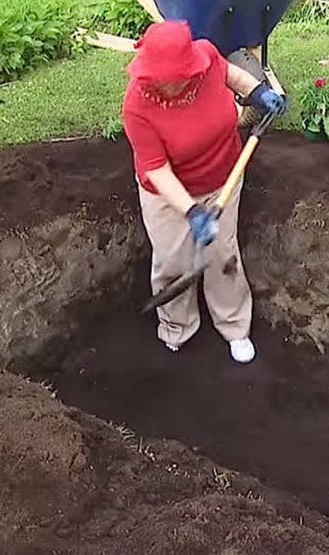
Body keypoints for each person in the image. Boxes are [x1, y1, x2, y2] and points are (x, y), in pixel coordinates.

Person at [121, 20, 286, 364]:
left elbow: (232, 76)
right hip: (167, 196)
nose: (168, 85)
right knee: (173, 262)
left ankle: (234, 326)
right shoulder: (138, 106)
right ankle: (176, 327)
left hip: (224, 177)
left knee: (223, 255)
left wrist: (258, 92)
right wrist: (192, 213)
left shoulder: (207, 58)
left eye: (175, 78)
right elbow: (157, 169)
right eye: (161, 80)